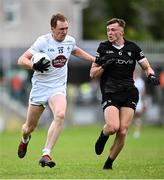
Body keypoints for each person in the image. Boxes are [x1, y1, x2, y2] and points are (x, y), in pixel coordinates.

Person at [17, 13, 95, 168]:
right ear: (52, 29)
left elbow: (75, 51)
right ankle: (25, 139)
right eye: (61, 29)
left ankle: (46, 153)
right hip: (40, 88)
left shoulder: (69, 41)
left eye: (66, 28)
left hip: (57, 87)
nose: (64, 31)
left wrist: (94, 60)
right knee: (29, 127)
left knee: (60, 114)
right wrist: (34, 65)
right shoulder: (42, 42)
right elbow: (21, 60)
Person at [90, 18, 160, 170]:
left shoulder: (133, 48)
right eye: (108, 30)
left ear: (122, 31)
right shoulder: (103, 47)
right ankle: (103, 135)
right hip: (110, 93)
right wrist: (104, 66)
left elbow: (146, 66)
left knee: (122, 131)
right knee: (112, 127)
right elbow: (92, 73)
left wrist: (151, 75)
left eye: (113, 30)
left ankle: (108, 163)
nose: (110, 33)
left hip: (129, 93)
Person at [133, 70, 146, 138]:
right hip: (130, 100)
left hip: (139, 100)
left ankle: (137, 131)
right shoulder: (130, 80)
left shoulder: (141, 81)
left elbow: (143, 92)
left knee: (138, 116)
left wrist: (144, 102)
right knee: (129, 116)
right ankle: (126, 131)